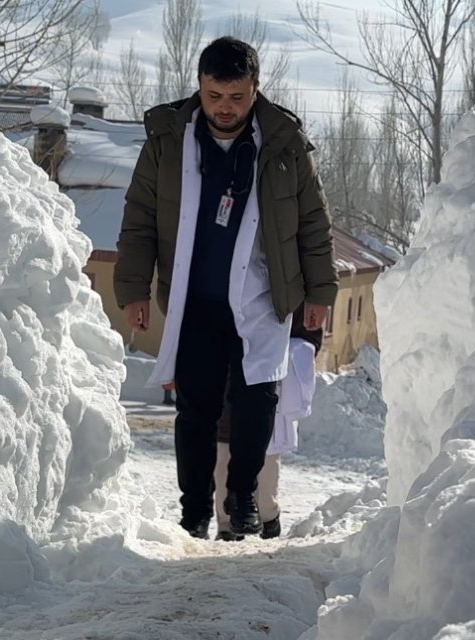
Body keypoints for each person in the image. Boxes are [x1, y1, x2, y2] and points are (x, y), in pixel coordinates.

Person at [114, 36, 337, 538]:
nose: (225, 108)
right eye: (215, 96)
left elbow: (313, 224)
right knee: (197, 408)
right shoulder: (170, 140)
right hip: (196, 299)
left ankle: (242, 496)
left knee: (259, 403)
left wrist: (319, 292)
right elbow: (139, 217)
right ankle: (194, 509)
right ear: (200, 86)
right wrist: (132, 289)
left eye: (236, 97)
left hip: (260, 297)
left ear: (255, 90)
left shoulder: (283, 144)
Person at [214, 306, 322, 541]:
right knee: (226, 453)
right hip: (231, 382)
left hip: (269, 383)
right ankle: (227, 523)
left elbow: (310, 332)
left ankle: (267, 515)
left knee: (266, 453)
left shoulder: (287, 289)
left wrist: (294, 350)